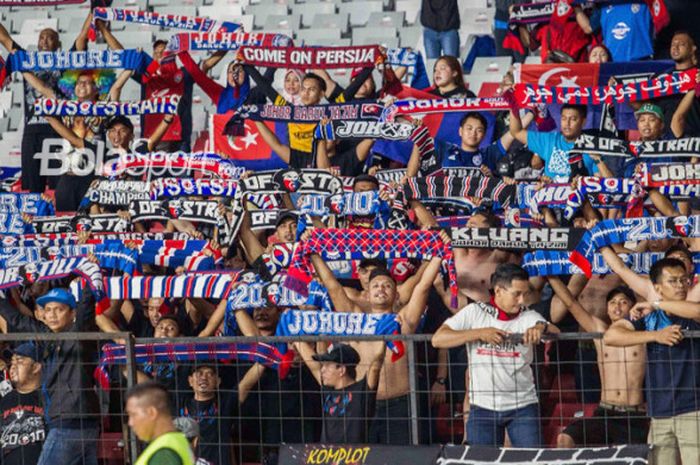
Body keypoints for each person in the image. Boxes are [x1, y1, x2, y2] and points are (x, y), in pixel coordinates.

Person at [432, 263, 559, 447]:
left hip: (522, 406)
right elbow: (438, 339)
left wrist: (542, 327)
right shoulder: (475, 312)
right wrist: (478, 333)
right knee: (481, 461)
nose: (522, 300)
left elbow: (555, 330)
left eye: (525, 294)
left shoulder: (529, 316)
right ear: (498, 291)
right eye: (517, 294)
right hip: (482, 407)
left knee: (533, 461)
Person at [604, 258, 700, 464]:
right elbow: (611, 336)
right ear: (657, 287)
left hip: (694, 410)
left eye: (684, 280)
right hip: (659, 413)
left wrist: (655, 303)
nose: (680, 285)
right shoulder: (649, 318)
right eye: (672, 281)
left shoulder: (690, 312)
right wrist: (655, 336)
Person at [0, 286, 100, 465]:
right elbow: (17, 319)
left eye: (59, 309)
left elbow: (86, 312)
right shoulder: (46, 337)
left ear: (72, 313)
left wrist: (88, 283)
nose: (52, 315)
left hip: (71, 422)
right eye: (47, 310)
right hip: (70, 421)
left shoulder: (79, 334)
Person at [548, 278, 648, 447]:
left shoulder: (644, 335)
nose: (617, 307)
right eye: (612, 302)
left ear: (634, 308)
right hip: (604, 412)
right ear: (607, 309)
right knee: (565, 439)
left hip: (634, 415)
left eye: (623, 302)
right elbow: (571, 303)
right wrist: (550, 276)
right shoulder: (601, 332)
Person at [294, 343, 385, 443]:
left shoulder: (361, 391)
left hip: (353, 456)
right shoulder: (328, 389)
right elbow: (313, 366)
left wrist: (385, 339)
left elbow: (375, 368)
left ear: (341, 370)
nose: (322, 370)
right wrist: (295, 339)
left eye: (327, 365)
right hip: (327, 456)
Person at [178, 364, 262, 465]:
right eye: (199, 373)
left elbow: (246, 384)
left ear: (218, 381)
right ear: (190, 380)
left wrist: (266, 356)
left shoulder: (225, 404)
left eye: (210, 374)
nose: (204, 377)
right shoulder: (181, 403)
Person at [509, 103, 608, 182]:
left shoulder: (591, 146)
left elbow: (608, 185)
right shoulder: (550, 140)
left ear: (583, 122)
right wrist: (512, 104)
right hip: (549, 203)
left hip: (576, 202)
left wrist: (598, 159)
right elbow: (516, 131)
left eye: (573, 119)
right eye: (564, 118)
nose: (567, 124)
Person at [125, 382, 195, 465]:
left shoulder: (164, 452)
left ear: (151, 413)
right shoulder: (178, 440)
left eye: (133, 414)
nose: (130, 422)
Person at [0, 343, 45, 465]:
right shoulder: (4, 400)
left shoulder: (49, 397)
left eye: (19, 362)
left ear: (36, 367)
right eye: (11, 363)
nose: (12, 367)